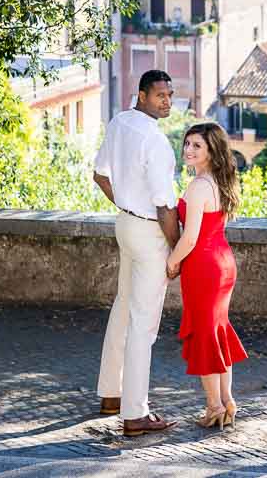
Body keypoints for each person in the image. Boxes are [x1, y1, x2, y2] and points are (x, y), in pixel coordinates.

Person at [93, 70, 179, 437]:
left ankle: (111, 395)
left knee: (123, 308)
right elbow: (164, 206)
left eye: (170, 95)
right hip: (148, 232)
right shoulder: (156, 141)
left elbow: (100, 175)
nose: (167, 102)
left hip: (125, 225)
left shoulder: (118, 123)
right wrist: (176, 249)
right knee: (144, 325)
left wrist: (126, 205)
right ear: (141, 95)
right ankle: (135, 414)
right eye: (160, 95)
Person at [166, 122, 247, 430]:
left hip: (203, 266)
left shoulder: (199, 186)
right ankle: (227, 401)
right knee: (218, 332)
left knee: (205, 335)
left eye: (197, 145)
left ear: (211, 150)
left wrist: (172, 263)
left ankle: (214, 406)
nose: (188, 150)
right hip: (223, 262)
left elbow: (189, 238)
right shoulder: (220, 181)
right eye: (187, 143)